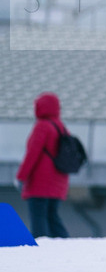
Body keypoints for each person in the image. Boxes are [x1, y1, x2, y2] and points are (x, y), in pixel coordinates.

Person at [15, 92, 71, 238]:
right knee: (52, 216)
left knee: (38, 217)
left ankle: (41, 245)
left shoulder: (42, 126)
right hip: (59, 180)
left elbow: (32, 154)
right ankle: (65, 244)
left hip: (40, 181)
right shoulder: (62, 127)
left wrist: (21, 177)